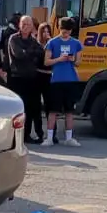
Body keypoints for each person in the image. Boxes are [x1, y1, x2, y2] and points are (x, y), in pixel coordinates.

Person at [5, 16, 47, 143]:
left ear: (32, 26)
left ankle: (27, 135)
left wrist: (28, 52)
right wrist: (31, 53)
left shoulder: (34, 41)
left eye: (28, 24)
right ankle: (13, 136)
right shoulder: (13, 39)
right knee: (17, 109)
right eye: (23, 24)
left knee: (30, 108)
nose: (25, 26)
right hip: (17, 78)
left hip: (31, 79)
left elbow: (40, 53)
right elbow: (18, 54)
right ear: (19, 25)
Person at [43, 17, 84, 146]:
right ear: (60, 29)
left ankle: (69, 138)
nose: (65, 33)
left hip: (71, 79)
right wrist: (59, 59)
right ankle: (49, 137)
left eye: (68, 31)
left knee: (69, 111)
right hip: (56, 80)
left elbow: (78, 62)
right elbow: (46, 61)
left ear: (71, 30)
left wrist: (71, 59)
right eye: (63, 30)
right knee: (53, 110)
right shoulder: (52, 43)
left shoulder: (76, 43)